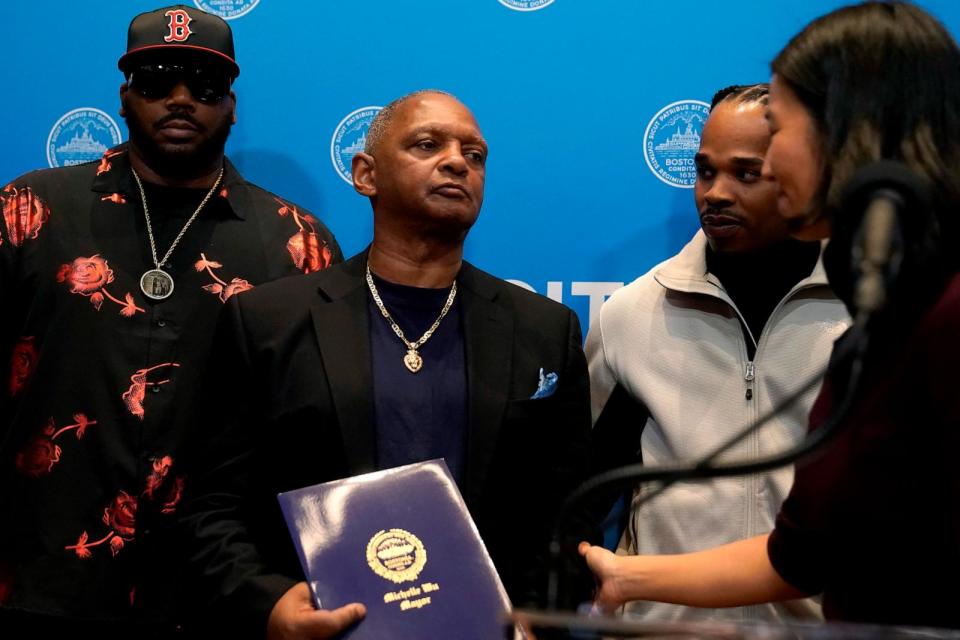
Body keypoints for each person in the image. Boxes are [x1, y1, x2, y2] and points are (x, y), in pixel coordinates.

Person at [580, 1, 960, 629]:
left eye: (777, 133)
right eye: (706, 169)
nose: (721, 188)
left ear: (847, 132)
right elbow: (805, 550)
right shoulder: (889, 311)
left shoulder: (939, 311)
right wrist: (626, 575)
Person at [178, 90, 593, 639]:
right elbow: (212, 507)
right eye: (428, 144)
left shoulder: (544, 330)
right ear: (365, 174)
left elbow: (568, 515)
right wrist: (273, 605)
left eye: (475, 155)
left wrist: (541, 616)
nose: (456, 162)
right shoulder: (268, 323)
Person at [0, 5, 341, 635]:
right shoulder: (30, 209)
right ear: (125, 97)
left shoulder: (299, 243)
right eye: (157, 80)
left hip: (218, 591)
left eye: (204, 86)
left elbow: (317, 429)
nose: (180, 99)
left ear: (232, 105)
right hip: (41, 576)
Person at [587, 84, 849, 623]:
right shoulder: (632, 315)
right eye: (706, 171)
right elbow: (584, 495)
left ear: (807, 174)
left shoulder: (871, 315)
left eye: (746, 173)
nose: (716, 193)